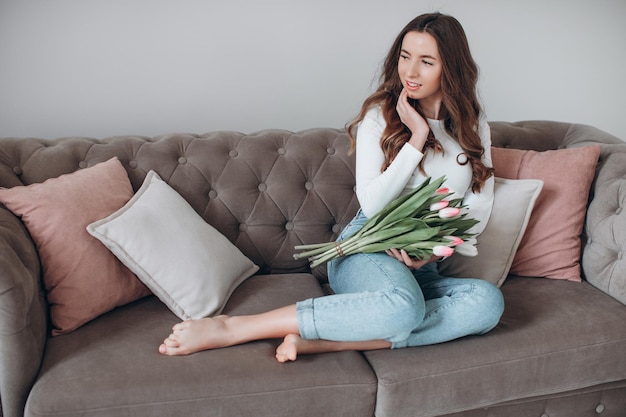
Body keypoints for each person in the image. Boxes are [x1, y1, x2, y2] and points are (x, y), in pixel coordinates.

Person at [159, 12, 504, 361]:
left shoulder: (474, 125)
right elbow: (372, 204)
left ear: (452, 68)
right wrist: (417, 138)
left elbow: (475, 206)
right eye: (405, 56)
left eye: (426, 61)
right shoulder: (380, 117)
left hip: (421, 265)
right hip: (364, 250)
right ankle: (236, 327)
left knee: (487, 303)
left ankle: (328, 341)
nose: (410, 72)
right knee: (403, 309)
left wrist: (431, 254)